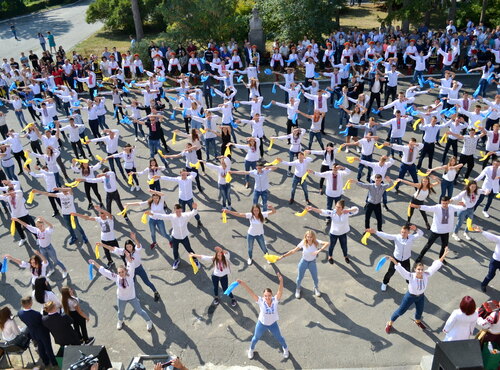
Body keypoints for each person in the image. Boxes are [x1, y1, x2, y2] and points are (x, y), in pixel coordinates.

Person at [385, 247, 449, 333]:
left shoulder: (426, 274)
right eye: (418, 269)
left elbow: (435, 266)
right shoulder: (411, 276)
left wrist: (444, 255)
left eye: (422, 269)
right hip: (410, 297)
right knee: (400, 311)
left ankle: (417, 321)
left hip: (421, 297)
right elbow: (402, 270)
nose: (420, 271)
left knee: (420, 311)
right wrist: (394, 261)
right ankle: (389, 323)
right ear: (415, 269)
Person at [89, 257, 153, 332]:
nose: (121, 274)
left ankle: (149, 321)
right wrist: (94, 263)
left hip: (132, 297)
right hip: (121, 298)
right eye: (119, 272)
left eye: (122, 272)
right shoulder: (117, 277)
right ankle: (120, 321)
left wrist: (128, 256)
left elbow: (131, 264)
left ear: (125, 271)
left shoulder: (130, 275)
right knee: (120, 312)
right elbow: (104, 271)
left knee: (139, 311)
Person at [237, 272, 289, 360]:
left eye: (269, 295)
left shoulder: (275, 300)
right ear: (263, 296)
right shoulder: (261, 301)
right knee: (255, 338)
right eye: (265, 296)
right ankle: (251, 349)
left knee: (280, 338)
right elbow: (251, 292)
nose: (267, 297)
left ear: (271, 295)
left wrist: (281, 281)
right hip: (262, 323)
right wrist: (243, 284)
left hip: (273, 324)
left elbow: (280, 291)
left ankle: (285, 349)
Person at [99, 232, 161, 301]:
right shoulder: (123, 251)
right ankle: (133, 298)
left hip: (139, 268)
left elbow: (138, 245)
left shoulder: (136, 251)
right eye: (127, 247)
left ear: (132, 246)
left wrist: (135, 239)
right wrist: (102, 245)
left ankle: (156, 292)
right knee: (131, 285)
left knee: (147, 282)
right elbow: (112, 248)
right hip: (130, 271)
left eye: (130, 246)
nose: (128, 248)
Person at [368, 224, 423, 291]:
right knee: (390, 272)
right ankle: (385, 283)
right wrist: (375, 232)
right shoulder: (397, 237)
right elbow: (386, 235)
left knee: (408, 274)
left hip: (406, 260)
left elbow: (421, 233)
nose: (403, 234)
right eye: (402, 232)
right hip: (395, 259)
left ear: (408, 232)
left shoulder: (411, 237)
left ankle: (411, 285)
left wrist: (416, 229)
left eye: (405, 232)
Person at [147, 203, 201, 270]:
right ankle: (176, 260)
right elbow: (162, 216)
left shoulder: (186, 215)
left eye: (179, 211)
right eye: (176, 211)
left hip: (184, 237)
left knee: (189, 249)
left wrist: (195, 208)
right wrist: (152, 214)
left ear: (181, 210)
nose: (178, 213)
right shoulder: (172, 216)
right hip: (175, 237)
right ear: (174, 210)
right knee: (175, 250)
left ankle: (195, 260)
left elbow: (193, 213)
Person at [413, 196, 465, 263]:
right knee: (429, 244)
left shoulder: (451, 207)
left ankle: (441, 258)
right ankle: (420, 256)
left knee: (444, 246)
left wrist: (464, 205)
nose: (444, 205)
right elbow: (427, 208)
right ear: (441, 202)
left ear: (448, 202)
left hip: (445, 231)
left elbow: (462, 208)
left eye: (446, 203)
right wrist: (417, 206)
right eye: (443, 203)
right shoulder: (437, 207)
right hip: (436, 230)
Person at [279, 230, 329, 298]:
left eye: (311, 237)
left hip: (312, 262)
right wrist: (283, 256)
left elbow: (327, 243)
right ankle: (298, 289)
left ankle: (316, 288)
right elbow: (293, 251)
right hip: (304, 262)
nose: (309, 238)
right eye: (308, 237)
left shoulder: (316, 242)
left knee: (315, 278)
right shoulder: (303, 242)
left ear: (313, 237)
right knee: (299, 278)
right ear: (305, 237)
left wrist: (319, 250)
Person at [18, 296, 58, 369]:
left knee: (41, 347)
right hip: (42, 332)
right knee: (48, 347)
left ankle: (46, 361)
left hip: (33, 333)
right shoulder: (36, 314)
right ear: (30, 304)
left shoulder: (20, 313)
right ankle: (54, 362)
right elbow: (43, 321)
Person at [471, 227, 500, 293]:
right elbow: (492, 236)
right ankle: (483, 284)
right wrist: (481, 231)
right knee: (491, 275)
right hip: (495, 261)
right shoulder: (499, 239)